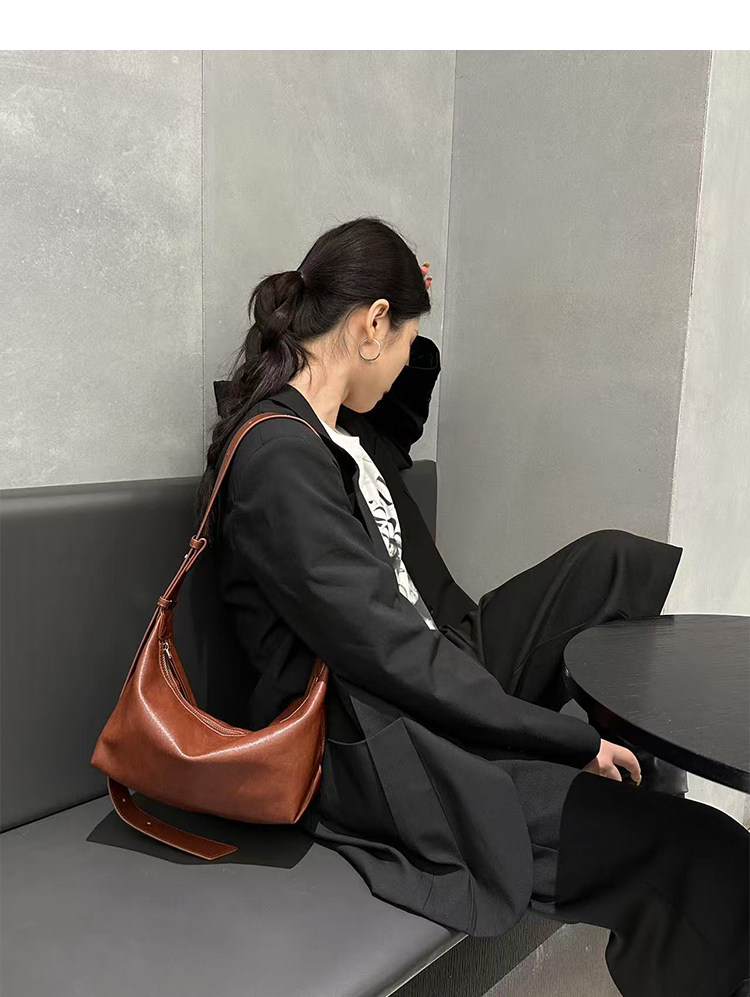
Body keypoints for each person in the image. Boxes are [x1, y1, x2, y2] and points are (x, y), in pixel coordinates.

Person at [195, 216, 749, 997]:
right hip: (374, 742)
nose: (402, 363)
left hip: (427, 665)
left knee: (613, 561)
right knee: (714, 858)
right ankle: (628, 811)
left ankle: (635, 787)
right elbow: (387, 654)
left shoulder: (339, 430)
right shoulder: (278, 455)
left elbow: (403, 401)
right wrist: (566, 739)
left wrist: (405, 306)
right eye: (401, 336)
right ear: (372, 323)